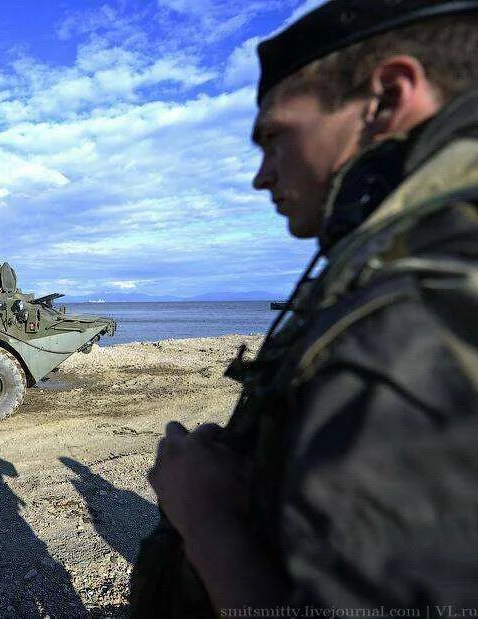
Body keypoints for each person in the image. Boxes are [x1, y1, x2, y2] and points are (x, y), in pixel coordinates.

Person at [141, 0, 478, 614]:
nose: (261, 177)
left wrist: (207, 519)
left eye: (275, 137)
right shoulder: (420, 260)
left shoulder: (420, 307)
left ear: (387, 96)